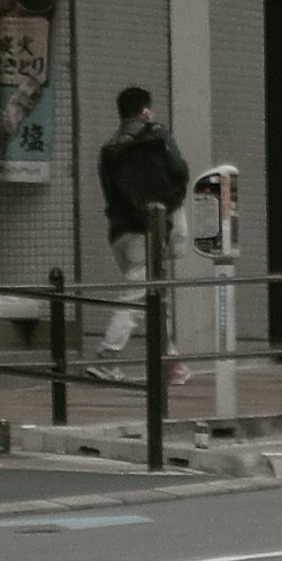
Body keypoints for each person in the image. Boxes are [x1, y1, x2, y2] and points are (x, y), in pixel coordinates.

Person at [94, 83, 186, 383]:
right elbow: (179, 171)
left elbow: (109, 190)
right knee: (137, 295)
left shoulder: (108, 149)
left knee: (155, 292)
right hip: (147, 227)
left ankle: (170, 363)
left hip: (119, 232)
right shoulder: (157, 135)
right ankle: (108, 355)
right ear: (145, 110)